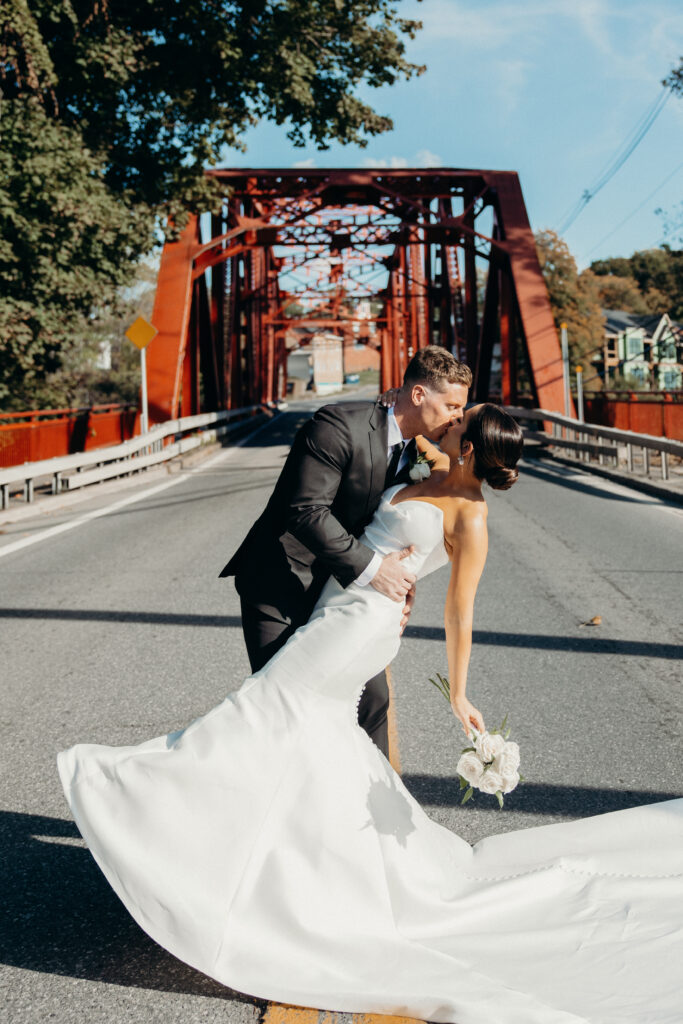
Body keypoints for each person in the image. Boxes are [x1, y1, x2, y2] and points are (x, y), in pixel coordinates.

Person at [57, 404, 683, 1024]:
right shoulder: (430, 465)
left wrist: (460, 694)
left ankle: (140, 794)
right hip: (335, 605)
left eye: (459, 422)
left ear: (468, 447)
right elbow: (372, 478)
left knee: (263, 709)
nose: (449, 421)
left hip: (362, 626)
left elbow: (460, 611)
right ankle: (293, 868)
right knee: (309, 740)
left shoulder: (472, 516)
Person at [220, 346, 471, 757]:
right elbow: (305, 511)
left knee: (371, 700)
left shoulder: (417, 452)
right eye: (453, 405)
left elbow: (393, 528)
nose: (458, 417)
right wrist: (376, 571)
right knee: (277, 705)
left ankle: (368, 809)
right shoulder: (338, 425)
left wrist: (403, 586)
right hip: (280, 580)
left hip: (339, 591)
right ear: (420, 395)